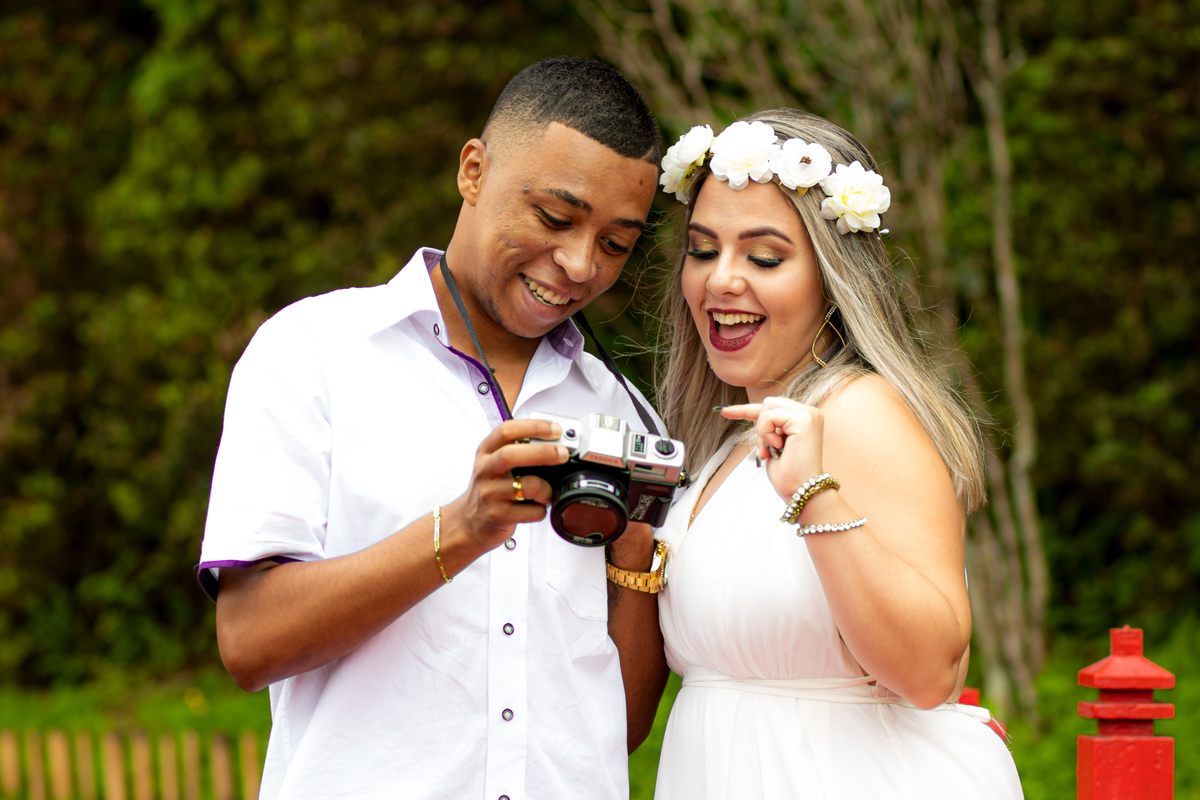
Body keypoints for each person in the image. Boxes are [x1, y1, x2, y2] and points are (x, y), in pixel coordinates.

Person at [197, 57, 673, 800]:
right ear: (473, 172)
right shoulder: (312, 351)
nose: (580, 265)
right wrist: (461, 530)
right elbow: (249, 642)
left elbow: (620, 723)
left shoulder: (624, 412)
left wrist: (635, 558)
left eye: (616, 244)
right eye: (555, 218)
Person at [649, 109, 1024, 798]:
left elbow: (931, 671)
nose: (721, 280)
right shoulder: (724, 443)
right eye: (702, 250)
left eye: (764, 257)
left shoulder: (859, 413)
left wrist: (814, 497)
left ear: (831, 276)